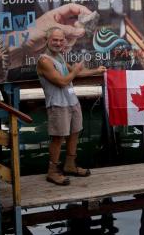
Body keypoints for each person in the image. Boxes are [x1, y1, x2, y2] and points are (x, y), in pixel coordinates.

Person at [37, 27, 106, 185]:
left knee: (75, 132)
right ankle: (52, 171)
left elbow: (75, 73)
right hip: (57, 104)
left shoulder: (59, 56)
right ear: (47, 40)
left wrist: (96, 71)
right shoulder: (44, 61)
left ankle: (69, 165)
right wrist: (75, 70)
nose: (58, 43)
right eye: (55, 40)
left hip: (71, 101)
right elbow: (62, 81)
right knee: (57, 138)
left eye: (61, 40)